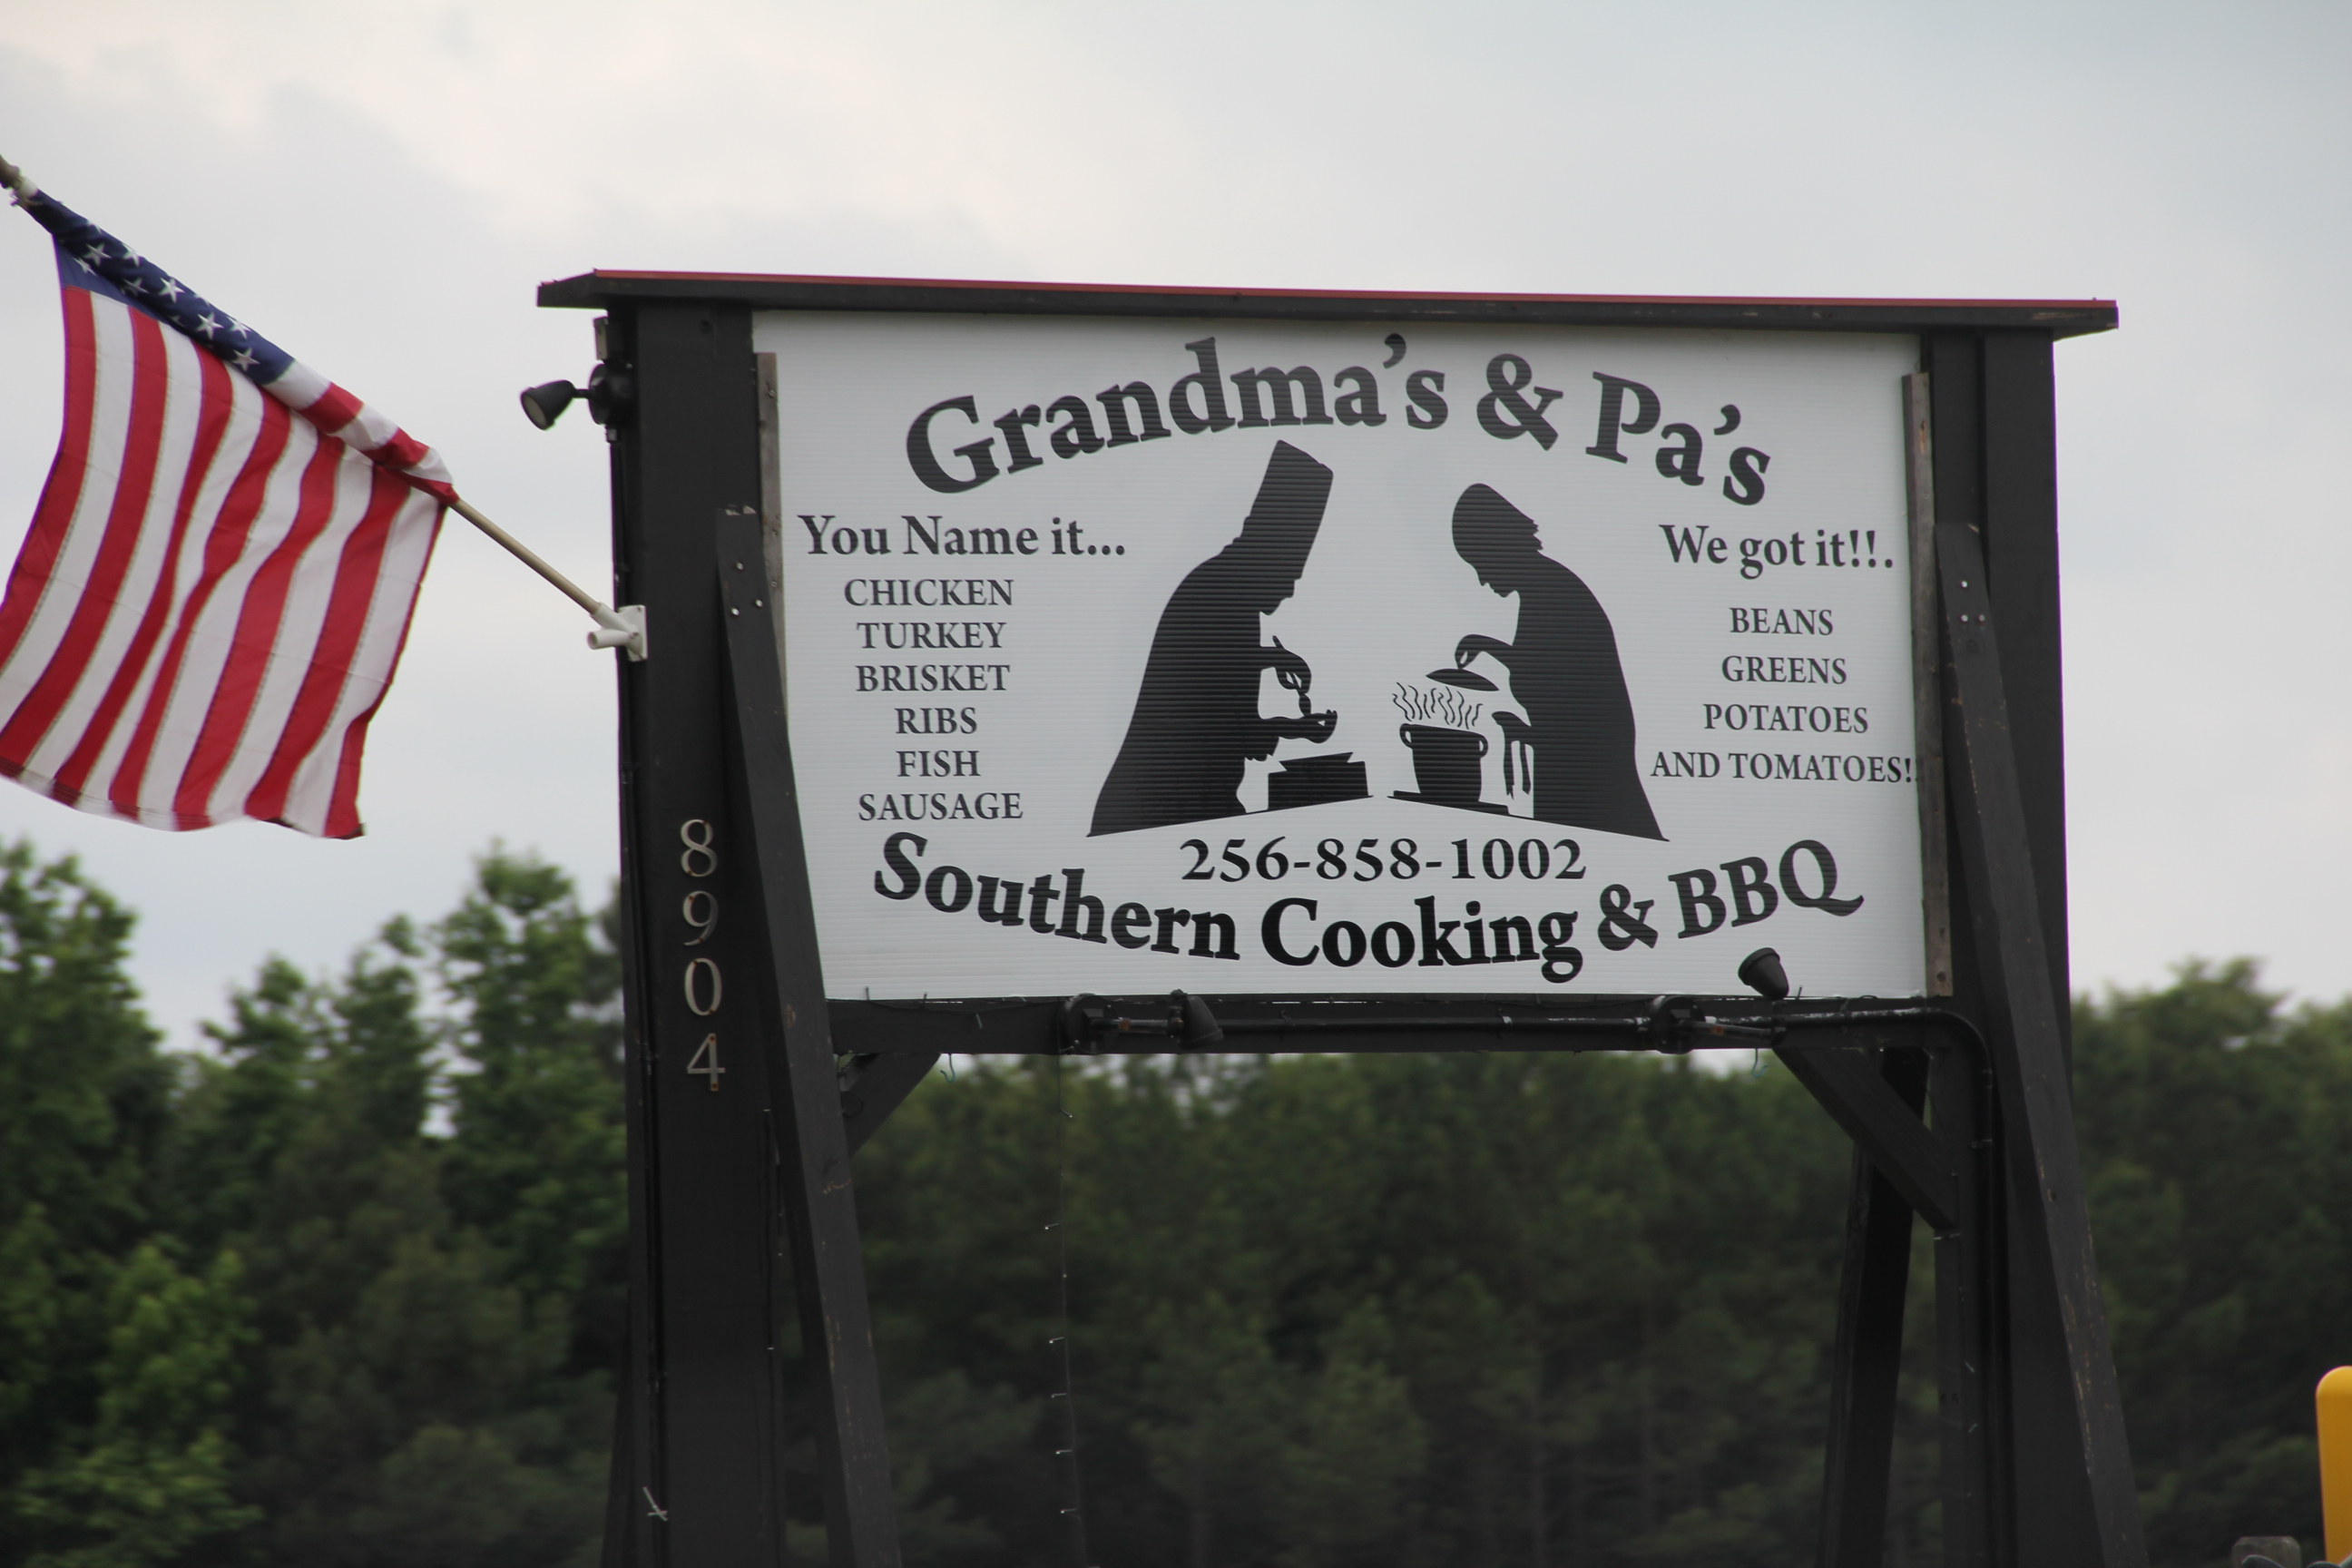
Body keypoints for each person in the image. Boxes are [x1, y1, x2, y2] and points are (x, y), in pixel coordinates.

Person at [1091, 442, 1338, 836]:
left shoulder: (1239, 606)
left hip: (1198, 801)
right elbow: (1213, 673)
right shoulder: (1211, 589)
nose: (1289, 591)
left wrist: (1299, 726)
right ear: (1264, 557)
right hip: (1156, 806)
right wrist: (1272, 661)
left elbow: (1242, 733)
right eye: (1287, 575)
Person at [1450, 483, 1662, 839]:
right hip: (1568, 773)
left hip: (1588, 783)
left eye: (1481, 564)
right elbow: (1544, 671)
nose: (1482, 579)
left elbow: (1583, 710)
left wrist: (1532, 735)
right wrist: (1489, 647)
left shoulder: (1555, 595)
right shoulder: (1543, 590)